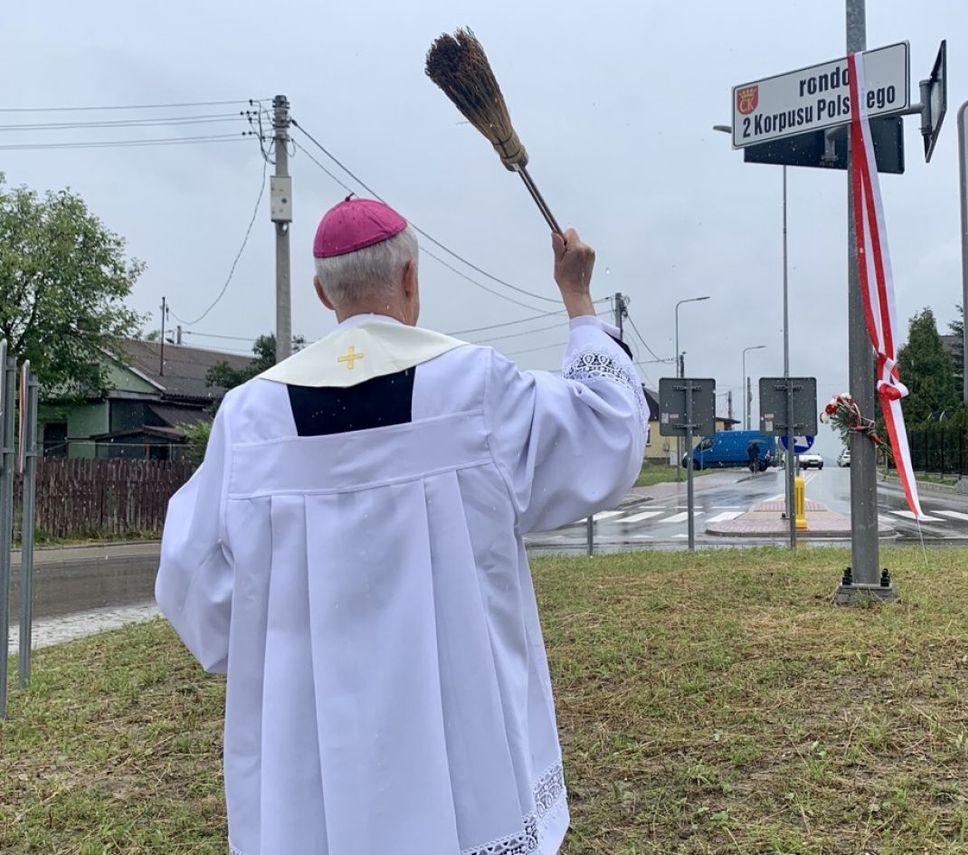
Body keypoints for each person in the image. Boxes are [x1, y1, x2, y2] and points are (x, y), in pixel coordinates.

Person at [155, 197, 647, 855]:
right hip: (457, 723)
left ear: (322, 291)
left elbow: (187, 570)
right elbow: (607, 432)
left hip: (310, 744)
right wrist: (579, 301)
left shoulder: (250, 417)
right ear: (411, 277)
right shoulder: (476, 388)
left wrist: (261, 644)